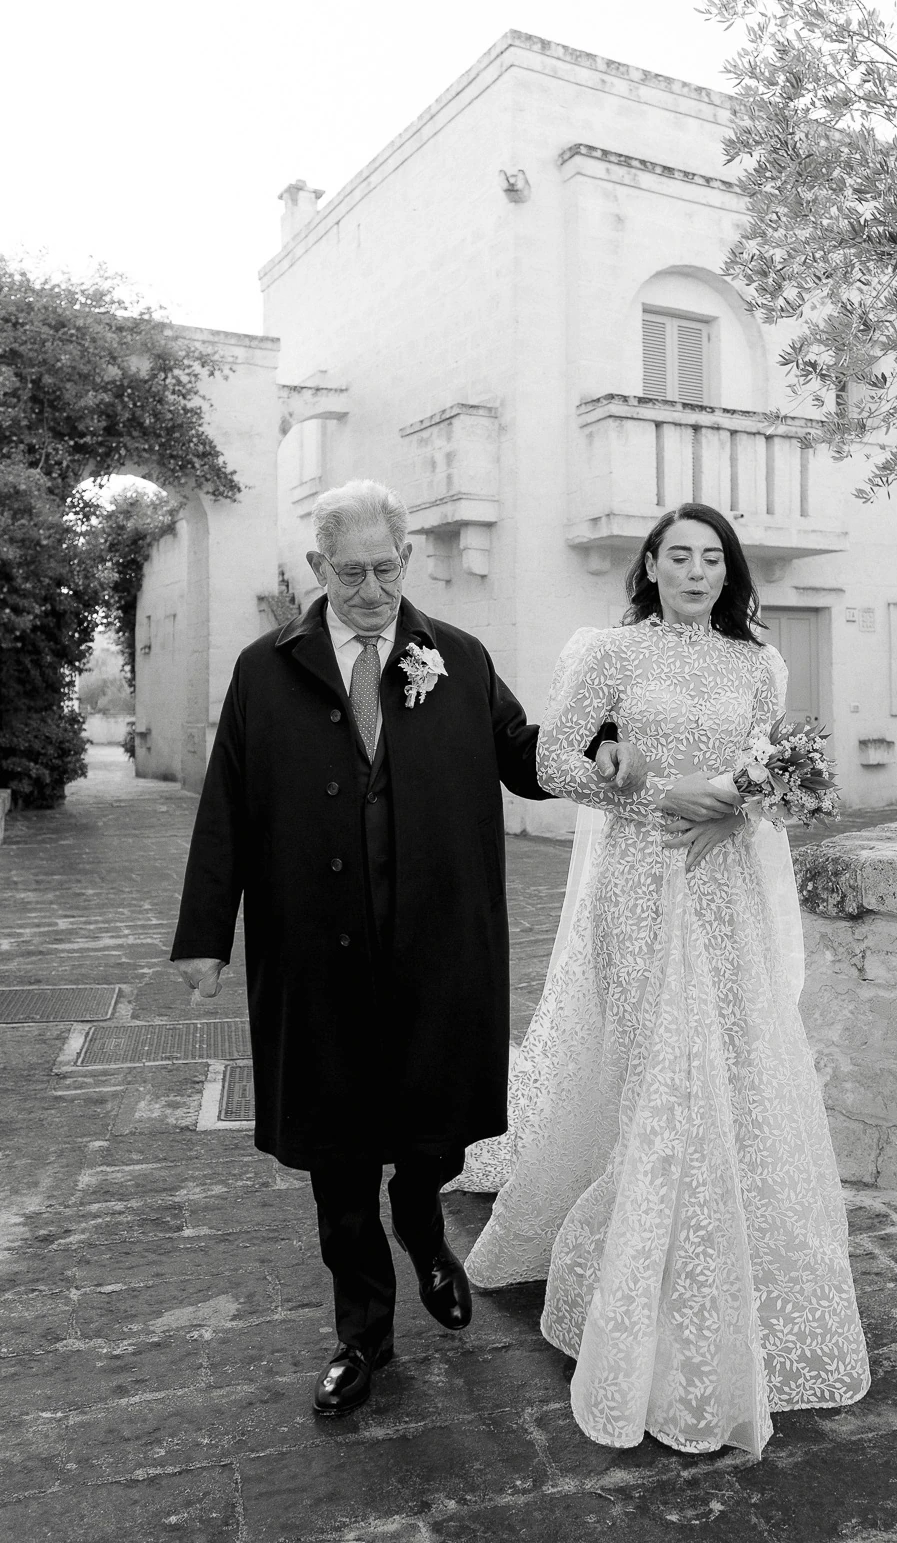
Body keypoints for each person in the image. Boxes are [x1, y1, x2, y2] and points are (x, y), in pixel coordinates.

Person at [171, 479, 640, 1417]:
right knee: (337, 1153)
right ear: (318, 569)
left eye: (387, 569)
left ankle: (424, 1228)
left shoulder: (455, 659)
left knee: (429, 1132)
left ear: (407, 561)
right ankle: (362, 1335)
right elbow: (226, 803)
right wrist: (203, 938)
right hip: (315, 947)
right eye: (351, 573)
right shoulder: (266, 669)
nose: (372, 590)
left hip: (435, 946)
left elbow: (522, 753)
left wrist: (606, 738)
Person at [465, 501, 871, 1456]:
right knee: (663, 1068)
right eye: (677, 556)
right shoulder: (612, 653)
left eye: (711, 559)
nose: (695, 571)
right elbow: (555, 760)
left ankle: (730, 1263)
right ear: (649, 566)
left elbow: (769, 780)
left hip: (722, 884)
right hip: (639, 885)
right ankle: (640, 1276)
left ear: (730, 573)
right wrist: (653, 791)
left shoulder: (759, 664)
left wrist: (733, 814)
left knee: (725, 1063)